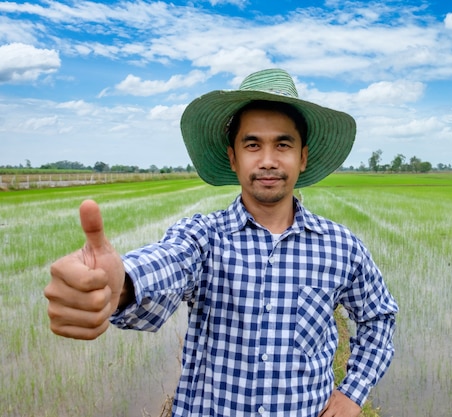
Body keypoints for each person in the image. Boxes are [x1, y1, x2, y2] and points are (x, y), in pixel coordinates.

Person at [44, 68, 398, 417]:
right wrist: (119, 285)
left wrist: (352, 393)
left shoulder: (340, 246)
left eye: (283, 144)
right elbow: (169, 262)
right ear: (233, 158)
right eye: (253, 144)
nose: (268, 160)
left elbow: (379, 316)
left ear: (302, 157)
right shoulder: (203, 237)